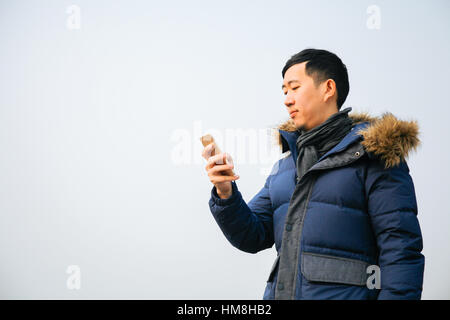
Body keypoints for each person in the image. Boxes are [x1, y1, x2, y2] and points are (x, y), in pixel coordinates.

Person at [201, 48, 424, 300]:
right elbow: (252, 235)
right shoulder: (285, 167)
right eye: (284, 91)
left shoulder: (375, 156)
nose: (286, 99)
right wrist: (225, 191)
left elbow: (401, 252)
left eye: (294, 88)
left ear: (328, 88)